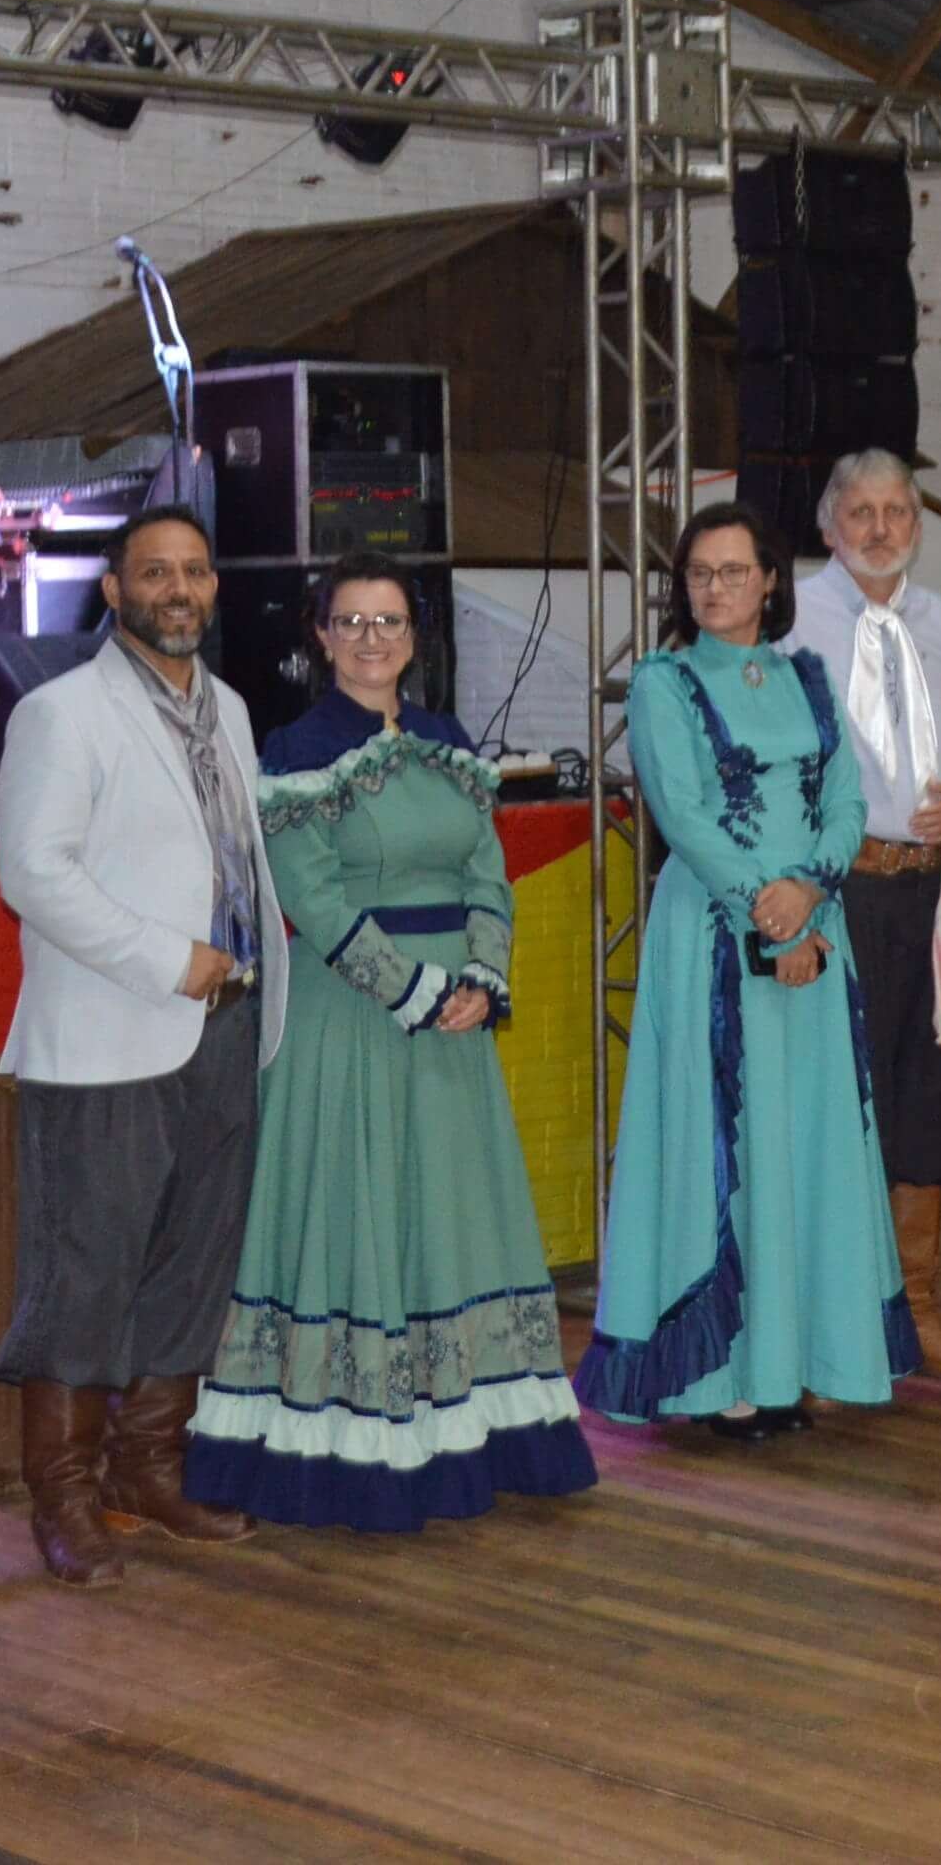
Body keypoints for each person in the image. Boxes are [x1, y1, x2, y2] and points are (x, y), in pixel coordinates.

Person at [183, 567, 597, 1528]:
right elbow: (311, 896)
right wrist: (412, 988)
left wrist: (481, 981)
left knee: (448, 1214)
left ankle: (471, 1433)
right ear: (321, 637)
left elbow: (488, 873)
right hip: (352, 1021)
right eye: (351, 622)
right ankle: (353, 1449)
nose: (372, 638)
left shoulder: (452, 742)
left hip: (452, 1022)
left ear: (416, 636)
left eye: (390, 622)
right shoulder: (296, 749)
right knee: (359, 1208)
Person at [0, 506, 282, 1585]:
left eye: (195, 571)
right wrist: (169, 957)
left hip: (228, 1025)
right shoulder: (60, 715)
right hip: (113, 1033)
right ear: (113, 590)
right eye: (154, 572)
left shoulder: (233, 710)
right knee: (86, 1276)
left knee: (191, 1262)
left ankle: (147, 1469)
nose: (179, 589)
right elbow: (32, 873)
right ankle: (60, 1499)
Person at [583, 501, 908, 1441]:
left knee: (802, 1141)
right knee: (727, 1142)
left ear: (772, 579)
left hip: (814, 924)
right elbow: (681, 815)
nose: (714, 588)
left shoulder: (810, 676)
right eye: (699, 574)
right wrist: (772, 916)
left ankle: (794, 1360)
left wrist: (809, 890)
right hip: (719, 935)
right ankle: (719, 1373)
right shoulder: (663, 682)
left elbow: (847, 798)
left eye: (733, 570)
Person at [782, 448, 941, 1385]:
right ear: (829, 525)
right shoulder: (792, 619)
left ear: (918, 524)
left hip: (934, 891)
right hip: (842, 895)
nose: (879, 530)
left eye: (897, 512)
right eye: (861, 513)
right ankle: (829, 1332)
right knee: (836, 1113)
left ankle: (916, 1314)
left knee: (930, 1103)